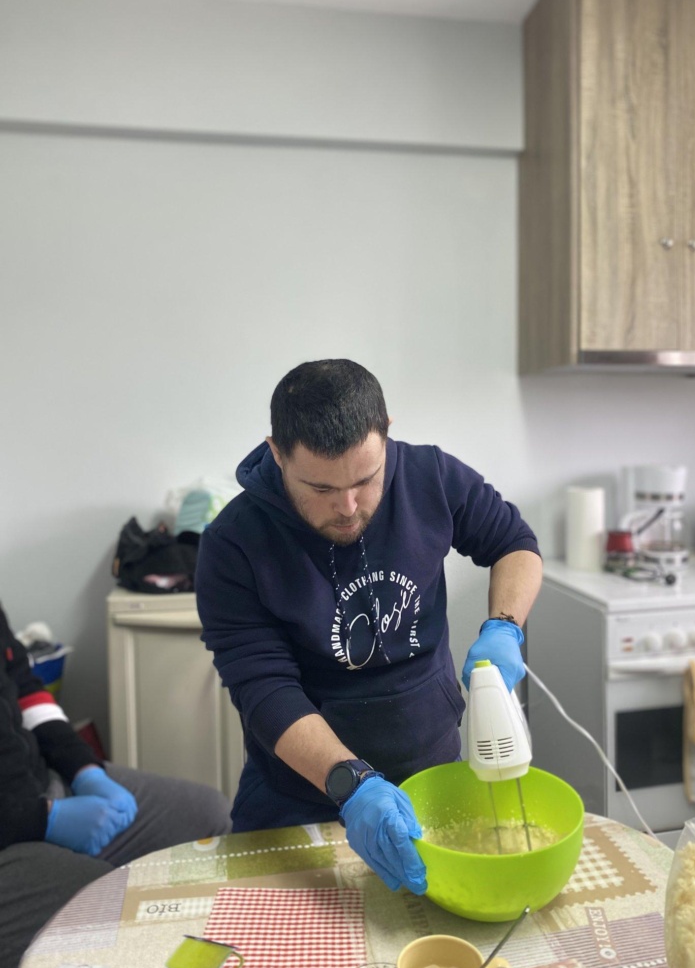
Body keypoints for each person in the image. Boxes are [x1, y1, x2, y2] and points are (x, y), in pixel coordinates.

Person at [195, 359, 542, 898]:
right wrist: (350, 783)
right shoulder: (232, 544)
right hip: (299, 796)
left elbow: (514, 542)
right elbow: (264, 689)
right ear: (276, 453)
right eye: (321, 487)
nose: (348, 507)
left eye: (365, 479)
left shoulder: (430, 476)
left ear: (386, 434)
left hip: (432, 775)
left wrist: (505, 626)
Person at [0, 601, 232, 968]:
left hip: (39, 785)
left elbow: (24, 689)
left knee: (209, 816)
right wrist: (40, 821)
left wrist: (84, 769)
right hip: (12, 834)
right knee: (122, 910)